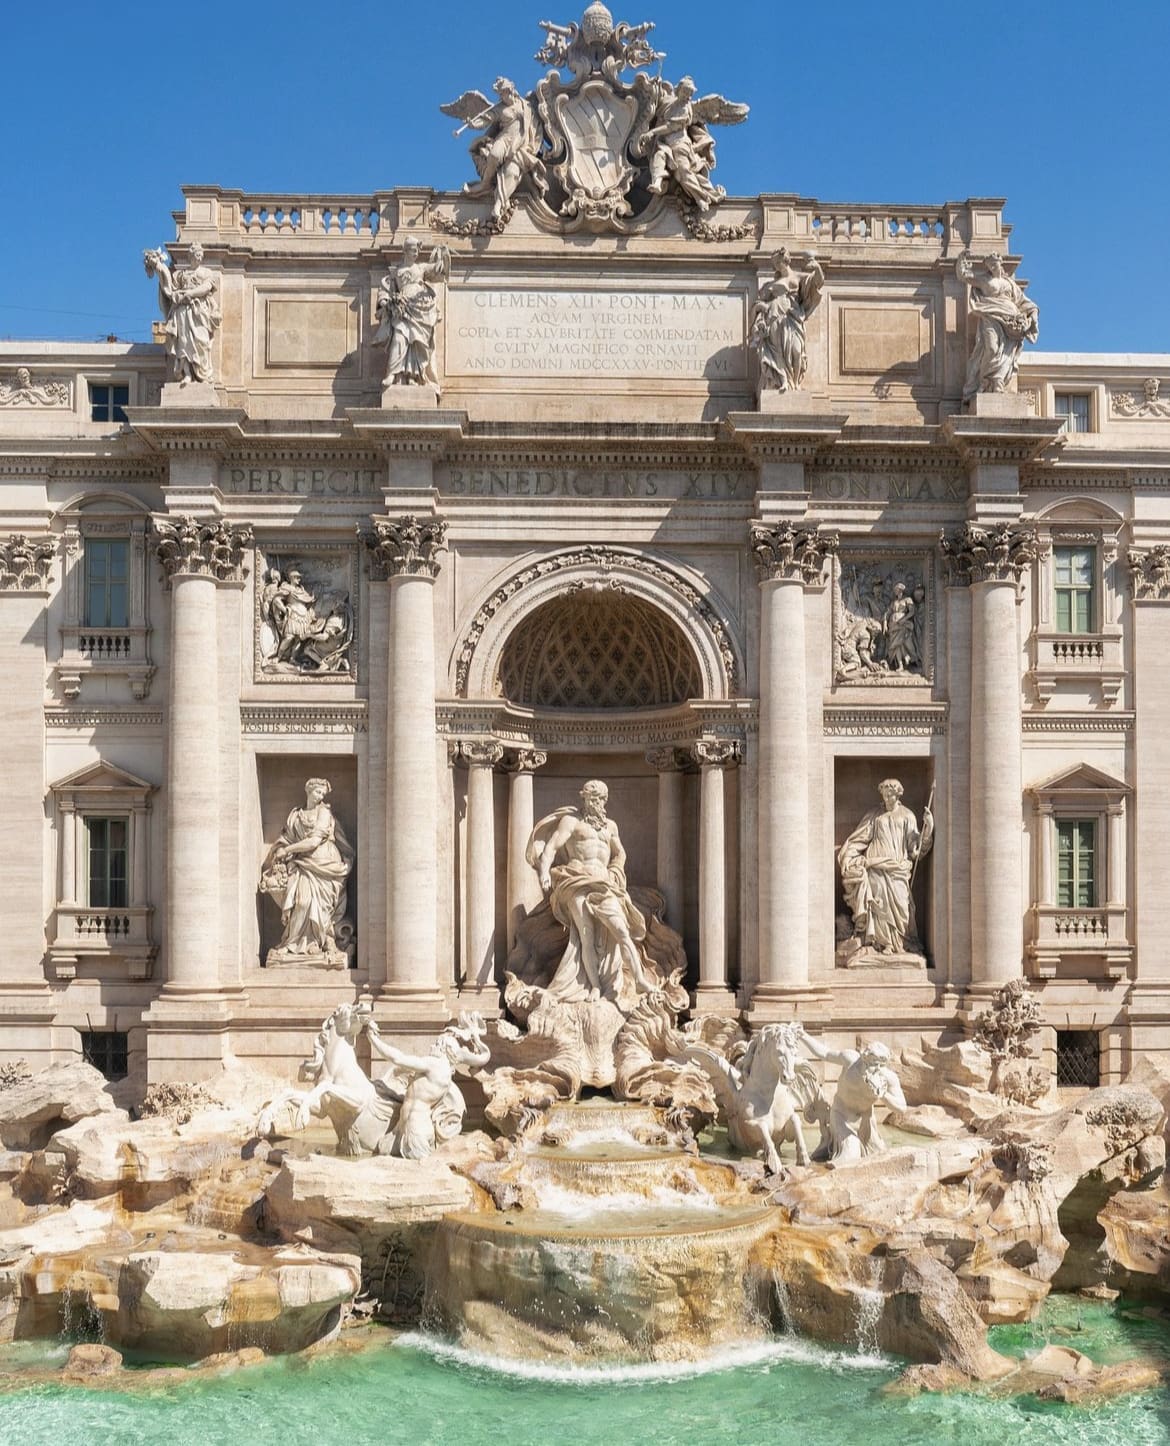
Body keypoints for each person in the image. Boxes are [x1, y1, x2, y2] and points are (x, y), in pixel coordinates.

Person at [528, 780, 659, 1011]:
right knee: (585, 933)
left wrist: (616, 872)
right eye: (592, 798)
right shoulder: (572, 822)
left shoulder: (610, 827)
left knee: (621, 930)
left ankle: (639, 980)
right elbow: (551, 847)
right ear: (584, 798)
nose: (596, 802)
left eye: (600, 799)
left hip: (604, 884)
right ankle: (595, 986)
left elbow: (620, 854)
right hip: (576, 881)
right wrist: (544, 872)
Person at [260, 777, 354, 966]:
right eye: (318, 792)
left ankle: (317, 943)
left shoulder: (324, 813)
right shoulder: (296, 814)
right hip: (301, 863)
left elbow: (313, 841)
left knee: (318, 907)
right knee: (301, 902)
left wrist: (288, 850)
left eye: (322, 794)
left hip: (324, 864)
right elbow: (287, 837)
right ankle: (295, 944)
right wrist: (281, 849)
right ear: (308, 791)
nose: (320, 796)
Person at [838, 779, 932, 956]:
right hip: (875, 866)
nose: (887, 798)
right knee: (878, 904)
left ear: (898, 795)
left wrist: (928, 827)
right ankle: (883, 944)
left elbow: (916, 849)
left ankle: (902, 942)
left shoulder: (907, 816)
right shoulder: (874, 815)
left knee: (903, 906)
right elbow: (860, 838)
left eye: (890, 795)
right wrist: (849, 856)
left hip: (897, 868)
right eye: (884, 795)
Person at [794, 1028, 906, 1164]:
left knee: (879, 1157)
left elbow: (901, 1108)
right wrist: (804, 1036)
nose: (877, 1069)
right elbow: (825, 1053)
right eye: (874, 1064)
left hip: (865, 1119)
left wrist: (883, 1095)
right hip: (841, 1114)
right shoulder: (850, 1059)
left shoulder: (888, 1077)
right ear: (865, 1058)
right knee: (851, 1153)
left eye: (880, 1066)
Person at [956, 251, 1039, 402]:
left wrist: (1032, 313)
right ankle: (986, 380)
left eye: (995, 264)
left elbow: (1023, 302)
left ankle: (998, 382)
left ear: (1000, 264)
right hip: (990, 316)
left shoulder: (1010, 284)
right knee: (992, 348)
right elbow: (963, 275)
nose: (994, 267)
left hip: (1011, 322)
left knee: (1006, 354)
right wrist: (961, 258)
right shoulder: (983, 280)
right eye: (990, 265)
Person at [462, 78, 547, 223]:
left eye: (503, 93)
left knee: (512, 172)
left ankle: (499, 204)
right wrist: (473, 124)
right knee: (494, 155)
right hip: (504, 139)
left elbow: (536, 125)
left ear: (511, 90)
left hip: (520, 144)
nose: (502, 97)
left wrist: (532, 145)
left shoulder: (526, 106)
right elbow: (486, 119)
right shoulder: (500, 108)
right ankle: (486, 183)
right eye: (500, 94)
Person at [374, 238, 451, 389]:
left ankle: (415, 375)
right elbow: (385, 290)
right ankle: (392, 374)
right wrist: (387, 302)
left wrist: (442, 256)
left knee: (418, 342)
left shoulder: (421, 268)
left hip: (420, 309)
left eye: (417, 250)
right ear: (405, 251)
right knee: (398, 339)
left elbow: (437, 270)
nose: (416, 253)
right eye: (413, 250)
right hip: (402, 310)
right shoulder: (396, 272)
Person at [143, 242, 220, 385]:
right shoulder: (181, 274)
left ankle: (201, 374)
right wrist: (159, 267)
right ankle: (188, 374)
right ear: (191, 256)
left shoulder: (207, 273)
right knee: (183, 342)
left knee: (200, 342)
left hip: (199, 312)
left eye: (200, 254)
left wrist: (189, 293)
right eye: (196, 254)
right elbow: (169, 288)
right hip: (183, 312)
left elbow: (206, 287)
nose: (198, 257)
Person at [750, 249, 825, 393]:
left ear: (786, 261)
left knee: (797, 351)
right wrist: (761, 309)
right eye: (775, 264)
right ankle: (783, 381)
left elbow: (818, 282)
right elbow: (761, 303)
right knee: (777, 352)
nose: (777, 266)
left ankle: (795, 383)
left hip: (793, 319)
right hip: (775, 320)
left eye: (778, 262)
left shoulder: (799, 277)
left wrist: (817, 267)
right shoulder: (771, 285)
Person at [644, 77, 722, 211]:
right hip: (666, 144)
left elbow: (670, 127)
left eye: (690, 94)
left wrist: (652, 132)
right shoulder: (669, 102)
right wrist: (654, 85)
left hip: (680, 145)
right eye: (686, 93)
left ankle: (702, 197)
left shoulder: (686, 110)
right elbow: (657, 101)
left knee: (683, 175)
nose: (688, 97)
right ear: (679, 90)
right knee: (659, 157)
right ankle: (657, 183)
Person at [882, 582, 919, 672]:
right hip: (893, 626)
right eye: (895, 590)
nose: (895, 592)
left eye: (897, 590)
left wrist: (903, 619)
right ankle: (900, 665)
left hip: (903, 625)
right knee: (896, 646)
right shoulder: (894, 602)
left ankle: (914, 660)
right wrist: (884, 624)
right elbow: (887, 613)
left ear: (901, 590)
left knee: (905, 643)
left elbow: (912, 611)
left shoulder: (907, 600)